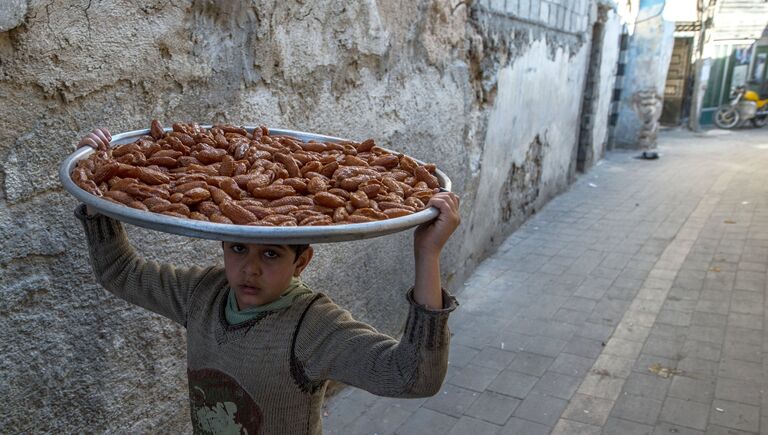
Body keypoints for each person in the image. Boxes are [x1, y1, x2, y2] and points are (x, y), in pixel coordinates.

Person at [75, 128, 461, 434]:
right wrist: (96, 181)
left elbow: (413, 377)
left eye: (272, 254)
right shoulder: (202, 295)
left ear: (302, 261)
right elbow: (119, 273)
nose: (250, 269)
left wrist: (428, 255)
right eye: (238, 248)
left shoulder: (312, 328)